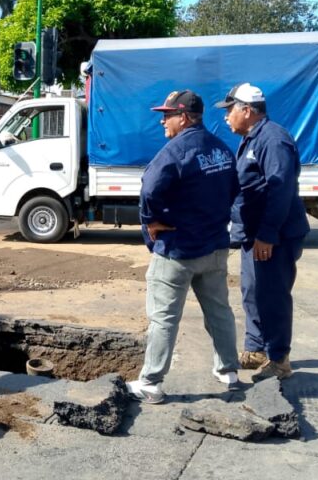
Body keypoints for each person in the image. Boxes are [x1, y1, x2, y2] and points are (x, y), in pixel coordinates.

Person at [125, 90, 240, 404]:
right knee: (219, 312)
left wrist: (151, 221)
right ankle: (228, 371)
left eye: (167, 115)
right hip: (214, 248)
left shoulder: (175, 151)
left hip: (178, 251)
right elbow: (233, 191)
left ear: (184, 117)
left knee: (163, 318)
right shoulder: (220, 149)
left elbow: (149, 188)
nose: (163, 121)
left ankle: (150, 383)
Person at [217, 83, 309, 382]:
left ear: (247, 110)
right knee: (251, 293)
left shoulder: (273, 139)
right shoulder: (251, 138)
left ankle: (279, 358)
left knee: (272, 296)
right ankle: (256, 348)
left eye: (230, 110)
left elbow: (280, 189)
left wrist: (267, 235)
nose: (226, 117)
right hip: (252, 234)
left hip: (273, 238)